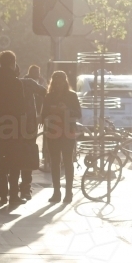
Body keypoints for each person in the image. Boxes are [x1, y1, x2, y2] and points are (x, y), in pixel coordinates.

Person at [0, 50, 30, 204]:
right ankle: (14, 195)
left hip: (0, 122)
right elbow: (21, 106)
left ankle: (2, 190)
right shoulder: (16, 82)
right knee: (15, 159)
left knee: (2, 157)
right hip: (14, 123)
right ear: (13, 63)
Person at [41, 71, 82, 203]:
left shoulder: (71, 95)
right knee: (54, 162)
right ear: (53, 82)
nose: (58, 85)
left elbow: (78, 113)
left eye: (61, 82)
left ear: (65, 82)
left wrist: (66, 110)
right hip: (53, 132)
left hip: (67, 131)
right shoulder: (49, 97)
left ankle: (68, 192)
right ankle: (56, 192)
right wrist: (50, 112)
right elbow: (43, 115)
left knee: (68, 161)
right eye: (56, 82)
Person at [17, 65, 46, 200]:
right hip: (28, 124)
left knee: (13, 155)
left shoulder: (7, 84)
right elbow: (45, 92)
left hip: (11, 125)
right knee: (27, 154)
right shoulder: (28, 83)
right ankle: (25, 187)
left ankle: (11, 186)